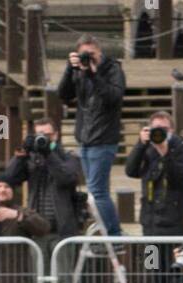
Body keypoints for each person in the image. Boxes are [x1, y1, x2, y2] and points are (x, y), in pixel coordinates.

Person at [3, 115, 84, 283]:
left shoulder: (68, 157)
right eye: (40, 136)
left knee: (64, 282)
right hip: (37, 231)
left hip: (61, 231)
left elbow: (67, 178)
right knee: (41, 282)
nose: (43, 140)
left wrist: (49, 152)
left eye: (47, 136)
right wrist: (21, 155)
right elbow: (9, 179)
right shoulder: (32, 160)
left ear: (55, 135)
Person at [57, 33, 125, 237]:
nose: (88, 58)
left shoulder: (113, 69)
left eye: (92, 54)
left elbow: (114, 97)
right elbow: (64, 94)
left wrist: (94, 74)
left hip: (104, 139)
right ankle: (106, 229)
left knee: (97, 191)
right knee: (94, 191)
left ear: (99, 51)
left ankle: (113, 234)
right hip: (85, 138)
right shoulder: (78, 70)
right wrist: (71, 68)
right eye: (84, 54)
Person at [125, 110, 183, 283]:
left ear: (171, 130)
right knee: (152, 273)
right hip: (150, 227)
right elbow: (131, 170)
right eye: (155, 129)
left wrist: (165, 153)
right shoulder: (146, 147)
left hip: (175, 227)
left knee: (177, 274)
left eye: (163, 129)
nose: (159, 133)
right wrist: (140, 144)